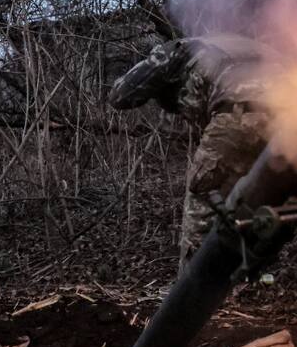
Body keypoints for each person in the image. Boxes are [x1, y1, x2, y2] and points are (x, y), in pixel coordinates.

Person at [109, 35, 275, 269]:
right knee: (279, 200)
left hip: (239, 117)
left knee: (204, 201)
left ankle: (194, 286)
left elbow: (120, 95)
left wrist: (154, 74)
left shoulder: (181, 48)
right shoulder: (252, 47)